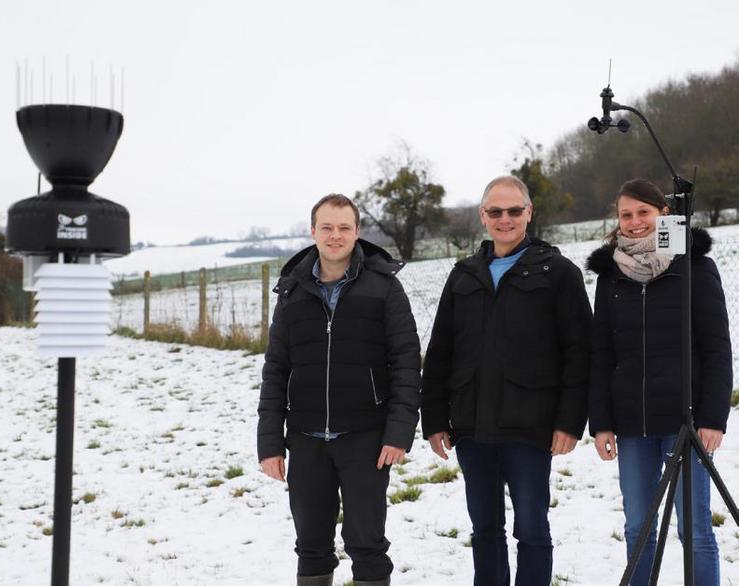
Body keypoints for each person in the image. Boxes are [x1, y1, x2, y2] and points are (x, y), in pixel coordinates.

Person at [421, 175, 592, 586]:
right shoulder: (463, 275)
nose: (505, 219)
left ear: (529, 213)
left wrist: (569, 422)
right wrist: (435, 420)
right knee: (485, 531)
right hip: (472, 426)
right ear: (483, 217)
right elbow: (440, 351)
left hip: (531, 428)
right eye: (495, 211)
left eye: (514, 210)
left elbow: (580, 354)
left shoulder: (558, 273)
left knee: (532, 529)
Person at [257, 193, 421, 586]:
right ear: (313, 231)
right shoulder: (292, 292)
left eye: (344, 227)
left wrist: (399, 432)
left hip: (366, 438)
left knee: (367, 544)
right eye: (327, 227)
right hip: (306, 438)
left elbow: (406, 362)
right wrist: (270, 443)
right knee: (311, 544)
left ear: (357, 232)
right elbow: (276, 368)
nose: (335, 236)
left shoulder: (384, 289)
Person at [587, 178, 732, 586]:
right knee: (638, 527)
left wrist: (713, 418)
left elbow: (718, 346)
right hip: (632, 424)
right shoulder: (611, 276)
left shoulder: (693, 266)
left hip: (686, 421)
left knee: (695, 530)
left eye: (643, 213)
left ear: (663, 214)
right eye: (626, 215)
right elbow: (601, 353)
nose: (634, 223)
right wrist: (601, 422)